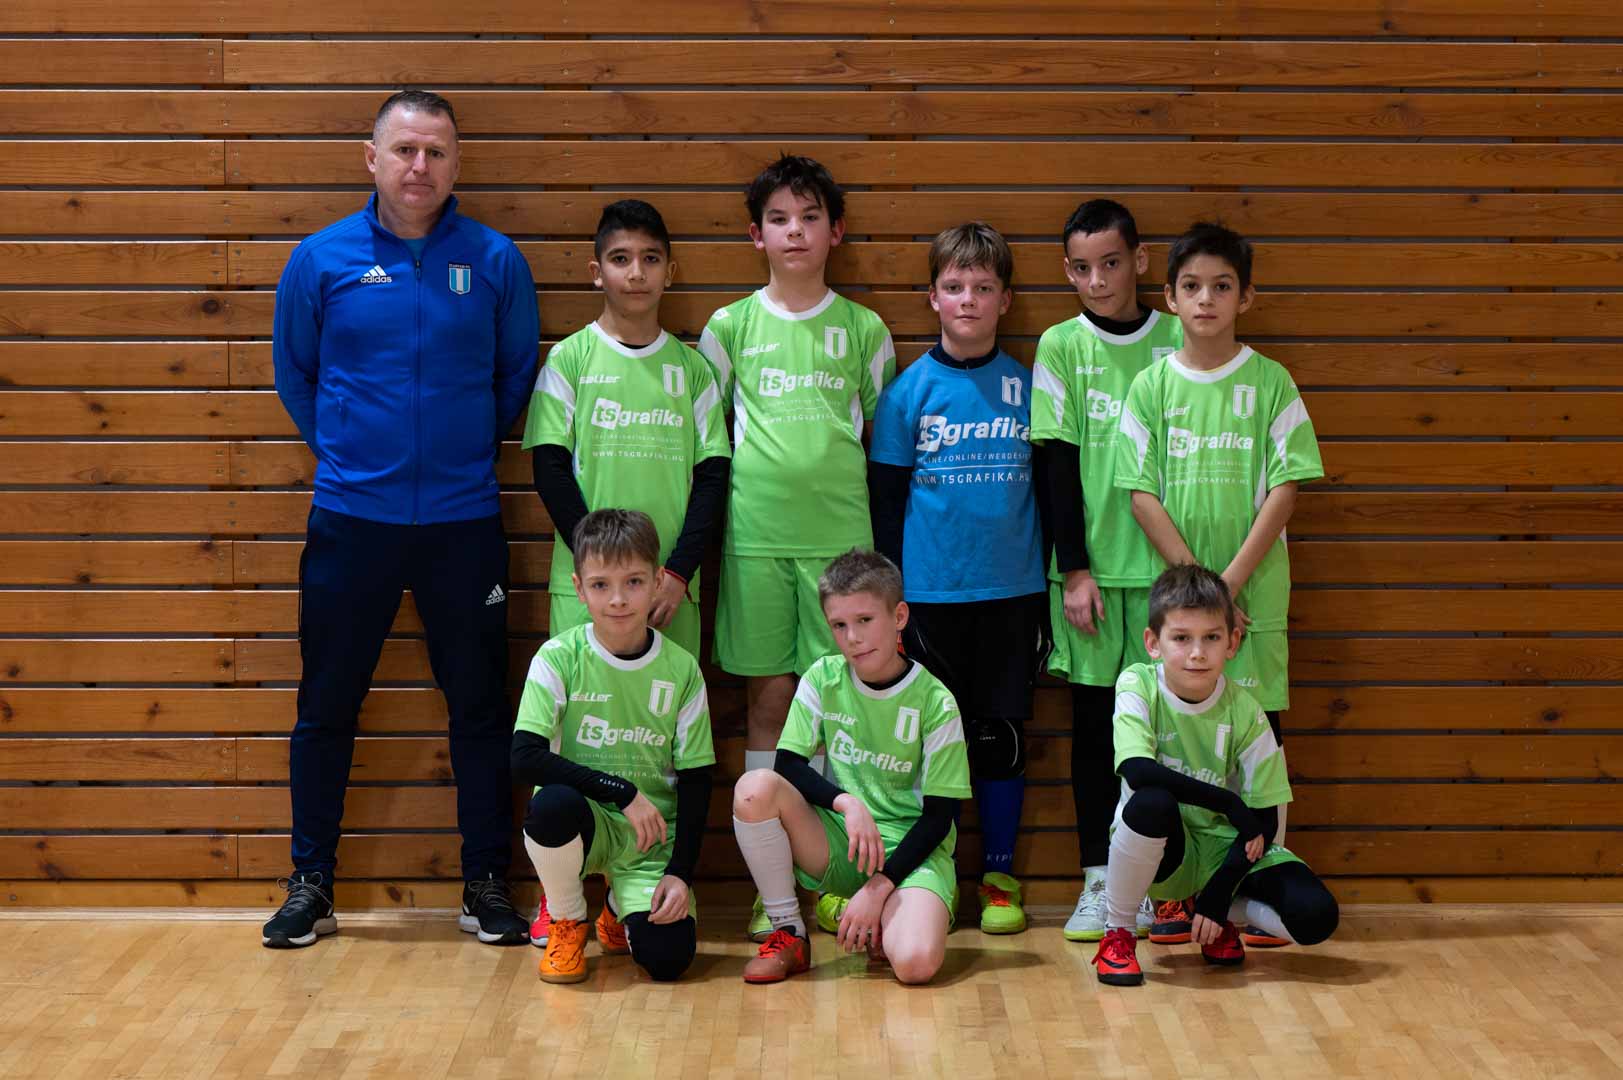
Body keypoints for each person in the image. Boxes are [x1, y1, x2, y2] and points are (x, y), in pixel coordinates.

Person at [264, 89, 539, 949]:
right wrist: (350, 453)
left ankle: (485, 882)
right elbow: (295, 374)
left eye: (436, 152)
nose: (420, 166)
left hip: (464, 524)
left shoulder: (494, 261)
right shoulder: (320, 259)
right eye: (405, 150)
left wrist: (458, 453)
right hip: (352, 520)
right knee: (326, 705)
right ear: (372, 159)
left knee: (480, 709)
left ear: (456, 164)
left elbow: (514, 377)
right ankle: (311, 883)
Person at [697, 154, 897, 939]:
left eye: (810, 217)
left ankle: (839, 877)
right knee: (770, 705)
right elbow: (711, 442)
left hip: (841, 553)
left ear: (834, 231)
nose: (795, 231)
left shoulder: (864, 330)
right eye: (778, 219)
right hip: (755, 544)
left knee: (838, 710)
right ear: (756, 235)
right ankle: (772, 885)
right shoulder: (728, 328)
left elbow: (881, 446)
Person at [521, 200, 731, 945]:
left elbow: (713, 478)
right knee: (568, 741)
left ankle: (639, 887)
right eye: (619, 259)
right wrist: (598, 573)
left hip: (671, 593)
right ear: (596, 271)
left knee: (658, 743)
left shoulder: (692, 369)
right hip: (585, 592)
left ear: (670, 270)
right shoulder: (570, 360)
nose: (635, 273)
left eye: (649, 258)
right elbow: (549, 468)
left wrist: (675, 572)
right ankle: (561, 899)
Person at [1114, 220, 1324, 947]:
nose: (1206, 299)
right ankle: (1173, 891)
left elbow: (1288, 486)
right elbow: (1139, 492)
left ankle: (1246, 884)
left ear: (1246, 297)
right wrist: (1198, 587)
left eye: (1221, 286)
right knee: (1178, 736)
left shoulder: (1270, 382)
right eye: (1191, 286)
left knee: (1257, 730)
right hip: (1185, 604)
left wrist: (1230, 585)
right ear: (1170, 298)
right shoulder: (1150, 386)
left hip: (1253, 594)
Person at [868, 222, 1046, 935]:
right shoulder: (906, 393)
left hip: (1012, 594)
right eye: (953, 286)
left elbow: (1051, 494)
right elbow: (886, 506)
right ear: (932, 297)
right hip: (927, 599)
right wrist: (892, 599)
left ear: (1005, 299)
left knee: (998, 736)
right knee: (926, 741)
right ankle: (920, 875)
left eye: (982, 286)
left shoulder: (1029, 388)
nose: (967, 299)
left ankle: (997, 876)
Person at [1029, 199, 1177, 945]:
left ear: (1139, 261)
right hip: (1092, 576)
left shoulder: (1178, 337)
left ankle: (1156, 887)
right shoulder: (1060, 345)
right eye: (1082, 268)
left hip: (1167, 576)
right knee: (1094, 729)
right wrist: (1076, 569)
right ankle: (1097, 879)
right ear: (1067, 271)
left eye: (1111, 263)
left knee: (1165, 733)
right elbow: (1054, 462)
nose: (1097, 280)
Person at [732, 550, 971, 985]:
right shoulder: (823, 678)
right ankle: (789, 931)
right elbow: (788, 763)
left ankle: (888, 914)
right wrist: (846, 803)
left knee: (915, 964)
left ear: (899, 616)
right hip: (847, 841)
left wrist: (880, 887)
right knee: (754, 789)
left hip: (912, 854)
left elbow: (940, 818)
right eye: (839, 625)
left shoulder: (936, 702)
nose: (853, 638)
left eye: (865, 620)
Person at [1092, 564, 1338, 986]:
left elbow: (1264, 819)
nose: (1197, 653)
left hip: (1225, 850)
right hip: (1164, 852)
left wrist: (1218, 895)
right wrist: (1227, 801)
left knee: (1317, 916)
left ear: (1232, 642)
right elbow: (1138, 770)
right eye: (1181, 638)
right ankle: (1118, 932)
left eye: (1211, 637)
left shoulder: (1247, 711)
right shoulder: (1137, 683)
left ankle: (1214, 916)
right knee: (1151, 801)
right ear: (1153, 643)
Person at [512, 509, 715, 983]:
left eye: (634, 582)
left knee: (668, 960)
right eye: (601, 585)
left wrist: (680, 873)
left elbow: (698, 778)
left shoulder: (681, 669)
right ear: (579, 589)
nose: (618, 599)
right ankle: (567, 919)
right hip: (585, 821)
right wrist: (622, 792)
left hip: (651, 840)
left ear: (658, 582)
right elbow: (524, 758)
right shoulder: (558, 658)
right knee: (550, 805)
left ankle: (616, 906)